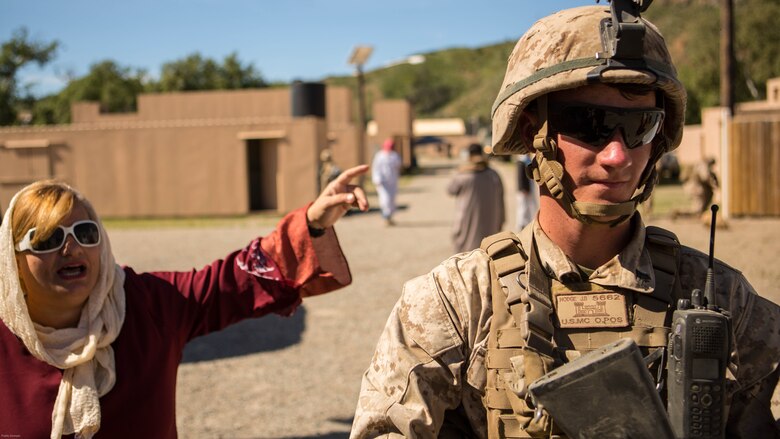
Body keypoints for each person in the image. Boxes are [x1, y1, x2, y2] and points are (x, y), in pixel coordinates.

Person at [351, 5, 780, 438]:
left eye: (641, 128)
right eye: (590, 124)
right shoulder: (457, 302)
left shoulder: (721, 298)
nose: (618, 156)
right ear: (531, 132)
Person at [0, 164, 369, 438]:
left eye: (85, 231)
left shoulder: (149, 305)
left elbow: (232, 282)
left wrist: (312, 224)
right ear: (12, 260)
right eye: (47, 239)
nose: (72, 246)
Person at [447, 143, 505, 253]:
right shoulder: (493, 175)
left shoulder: (463, 175)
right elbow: (501, 199)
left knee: (466, 259)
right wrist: (501, 220)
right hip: (491, 225)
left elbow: (450, 189)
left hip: (466, 224)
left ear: (468, 156)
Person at [371, 138, 402, 226]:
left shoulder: (395, 156)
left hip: (392, 181)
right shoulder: (379, 156)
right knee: (385, 199)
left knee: (392, 199)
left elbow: (398, 166)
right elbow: (376, 168)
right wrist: (377, 179)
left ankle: (389, 217)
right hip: (382, 182)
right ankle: (385, 215)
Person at [514, 154, 538, 230]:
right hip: (524, 190)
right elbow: (520, 177)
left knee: (529, 207)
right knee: (523, 207)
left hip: (528, 189)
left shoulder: (527, 160)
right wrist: (523, 189)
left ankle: (527, 223)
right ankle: (521, 224)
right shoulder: (521, 161)